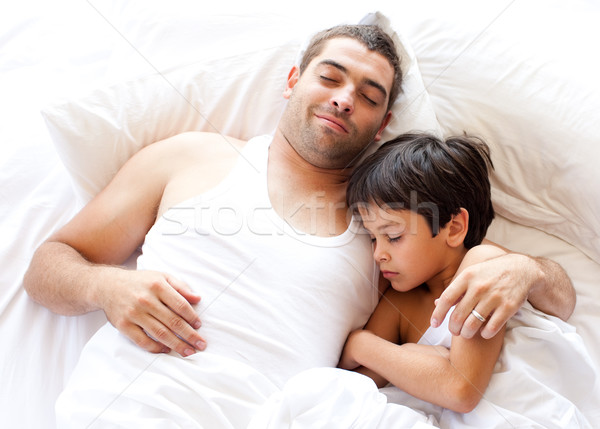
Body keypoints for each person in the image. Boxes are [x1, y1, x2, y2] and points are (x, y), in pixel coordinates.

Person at [22, 24, 574, 425]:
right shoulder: (191, 156)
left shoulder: (384, 226)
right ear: (293, 80)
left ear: (383, 125)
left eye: (368, 95)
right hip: (136, 406)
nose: (342, 98)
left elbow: (537, 291)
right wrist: (105, 285)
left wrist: (522, 268)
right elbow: (49, 266)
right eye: (330, 76)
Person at [338, 132, 598, 426]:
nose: (377, 254)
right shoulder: (400, 302)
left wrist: (362, 344)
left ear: (454, 228)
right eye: (372, 238)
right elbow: (354, 386)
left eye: (393, 236)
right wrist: (403, 359)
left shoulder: (484, 265)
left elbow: (461, 390)